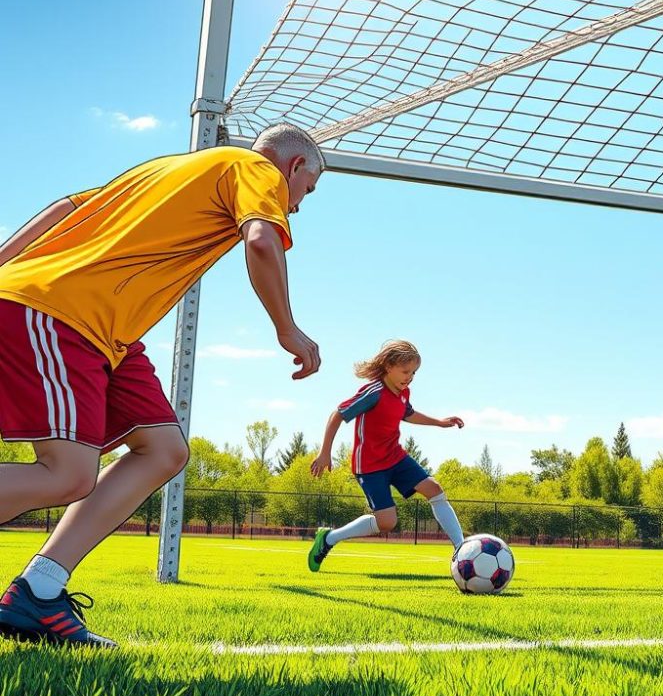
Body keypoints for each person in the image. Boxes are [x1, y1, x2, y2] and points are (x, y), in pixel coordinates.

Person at [0, 124, 324, 646]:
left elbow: (64, 208)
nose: (301, 205)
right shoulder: (257, 169)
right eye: (307, 190)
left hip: (107, 332)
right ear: (293, 168)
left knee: (164, 449)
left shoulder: (168, 169)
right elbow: (262, 242)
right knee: (68, 475)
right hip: (62, 310)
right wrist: (287, 327)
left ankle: (39, 591)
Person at [307, 340, 465, 571]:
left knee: (435, 489)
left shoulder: (403, 392)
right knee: (387, 523)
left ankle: (461, 550)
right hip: (370, 466)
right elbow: (337, 415)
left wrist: (439, 423)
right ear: (388, 366)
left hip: (395, 457)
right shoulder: (374, 392)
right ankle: (329, 538)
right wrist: (325, 452)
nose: (409, 377)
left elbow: (407, 413)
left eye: (413, 373)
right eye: (405, 371)